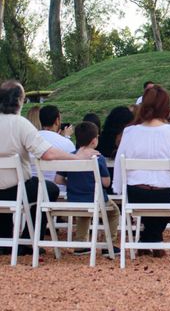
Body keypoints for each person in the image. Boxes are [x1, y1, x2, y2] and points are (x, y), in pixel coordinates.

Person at [0, 80, 99, 251]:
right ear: (19, 101)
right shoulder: (20, 124)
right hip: (17, 188)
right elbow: (47, 153)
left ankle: (5, 239)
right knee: (49, 189)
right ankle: (30, 240)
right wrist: (75, 157)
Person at [112, 85, 170, 254]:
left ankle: (148, 238)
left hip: (135, 193)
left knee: (146, 188)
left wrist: (119, 189)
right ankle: (153, 237)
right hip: (165, 195)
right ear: (166, 108)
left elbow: (119, 162)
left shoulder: (130, 131)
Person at [55, 121, 120, 256]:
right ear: (94, 140)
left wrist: (71, 184)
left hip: (75, 199)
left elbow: (58, 179)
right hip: (95, 199)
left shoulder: (70, 156)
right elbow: (106, 183)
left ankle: (81, 244)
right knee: (114, 212)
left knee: (83, 215)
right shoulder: (98, 157)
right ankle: (109, 244)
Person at [32, 105, 76, 192]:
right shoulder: (66, 143)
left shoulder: (29, 140)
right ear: (57, 121)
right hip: (59, 191)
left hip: (33, 190)